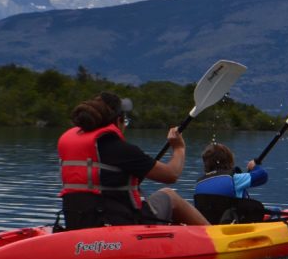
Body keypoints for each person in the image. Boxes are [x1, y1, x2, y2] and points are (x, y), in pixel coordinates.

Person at [57, 92, 208, 230]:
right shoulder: (121, 149)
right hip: (119, 225)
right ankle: (213, 234)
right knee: (169, 195)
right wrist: (179, 148)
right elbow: (171, 174)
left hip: (77, 223)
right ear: (118, 121)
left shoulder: (71, 145)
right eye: (125, 121)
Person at [193, 142, 269, 224]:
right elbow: (263, 175)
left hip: (209, 225)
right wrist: (254, 166)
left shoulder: (199, 183)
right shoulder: (235, 179)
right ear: (228, 160)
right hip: (234, 225)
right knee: (275, 212)